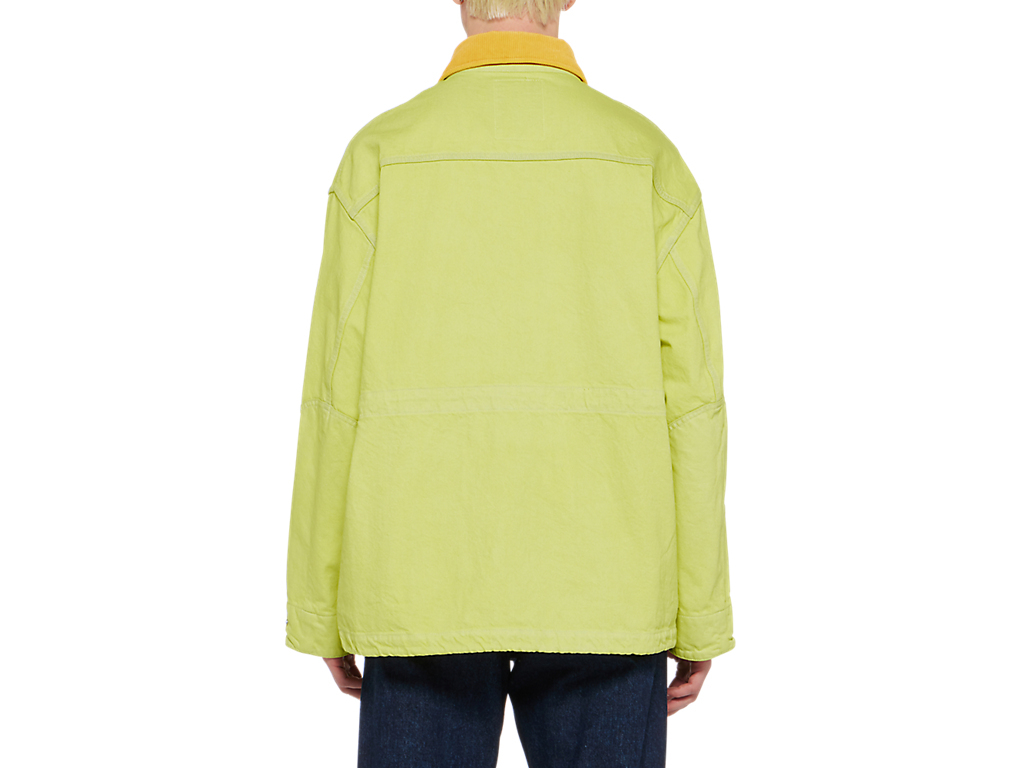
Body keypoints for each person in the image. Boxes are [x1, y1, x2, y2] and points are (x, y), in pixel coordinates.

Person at [284, 1, 735, 765]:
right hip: (607, 579)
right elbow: (693, 402)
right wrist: (701, 611)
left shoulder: (382, 153)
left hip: (418, 574)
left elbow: (333, 392)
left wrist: (320, 604)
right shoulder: (643, 154)